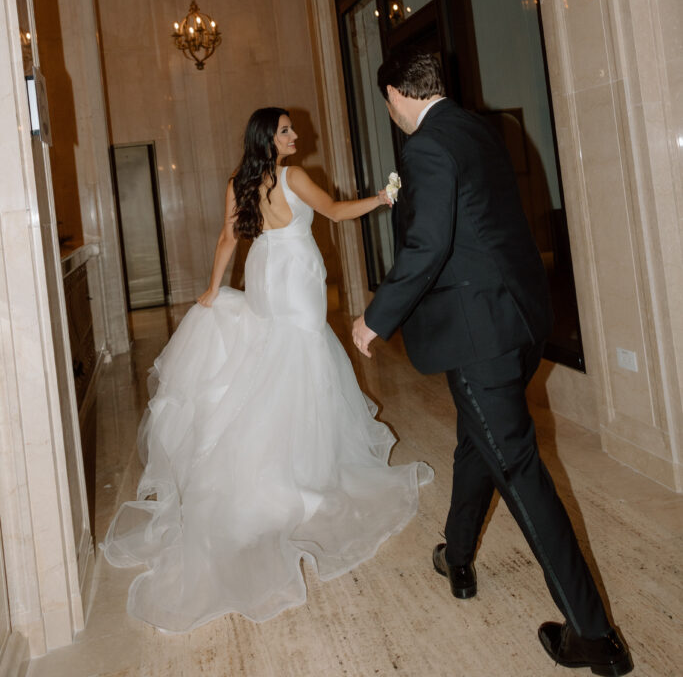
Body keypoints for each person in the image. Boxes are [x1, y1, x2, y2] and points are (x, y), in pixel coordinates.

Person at [352, 50, 633, 676]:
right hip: (518, 318)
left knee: (520, 469)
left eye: (388, 103)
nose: (391, 113)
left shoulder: (424, 146)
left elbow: (428, 243)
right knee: (477, 443)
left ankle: (596, 637)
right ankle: (457, 555)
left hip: (479, 333)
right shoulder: (478, 128)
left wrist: (375, 317)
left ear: (397, 95)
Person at [103, 107, 432, 632]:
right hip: (296, 274)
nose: (295, 135)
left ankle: (275, 462)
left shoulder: (240, 181)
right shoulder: (294, 175)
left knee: (275, 357)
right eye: (286, 130)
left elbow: (227, 240)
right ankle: (301, 469)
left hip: (265, 274)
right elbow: (338, 213)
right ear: (268, 138)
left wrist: (215, 288)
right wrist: (384, 198)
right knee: (303, 357)